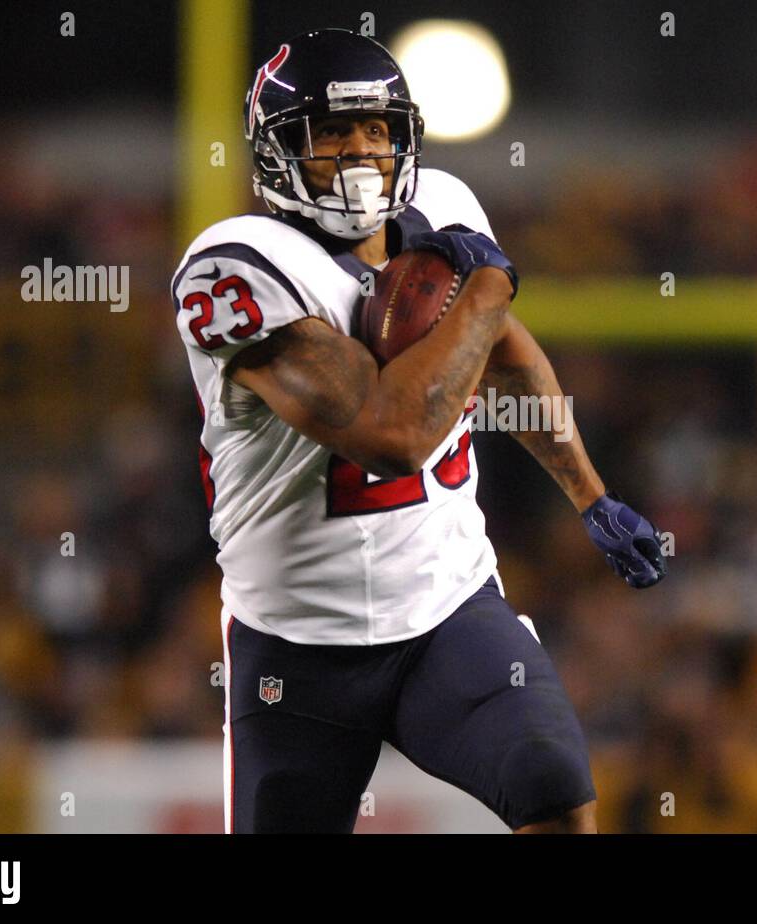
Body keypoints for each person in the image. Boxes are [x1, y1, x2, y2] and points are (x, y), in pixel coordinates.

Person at [171, 28, 667, 833]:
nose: (361, 153)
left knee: (554, 785)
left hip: (446, 606)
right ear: (276, 152)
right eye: (332, 132)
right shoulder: (237, 265)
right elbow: (391, 433)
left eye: (377, 131)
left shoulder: (444, 207)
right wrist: (487, 287)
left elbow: (504, 354)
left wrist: (590, 494)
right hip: (297, 639)